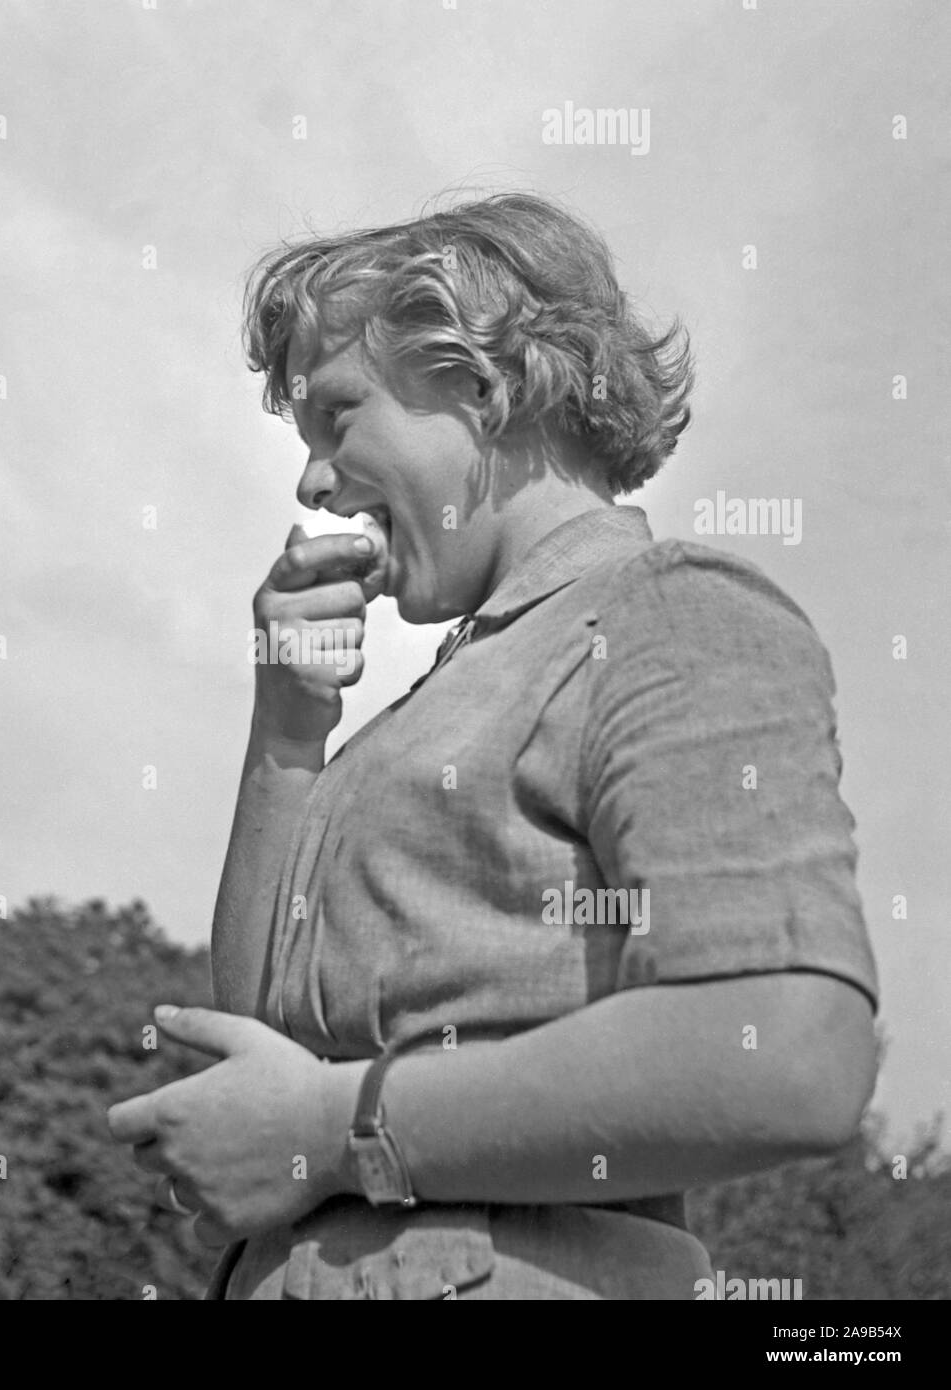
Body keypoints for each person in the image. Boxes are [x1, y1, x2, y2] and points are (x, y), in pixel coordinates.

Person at [108, 191, 879, 1299]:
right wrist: (287, 727)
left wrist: (336, 1131)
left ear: (480, 382)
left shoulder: (667, 613)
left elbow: (789, 1053)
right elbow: (260, 1042)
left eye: (337, 417)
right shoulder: (427, 709)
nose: (310, 480)